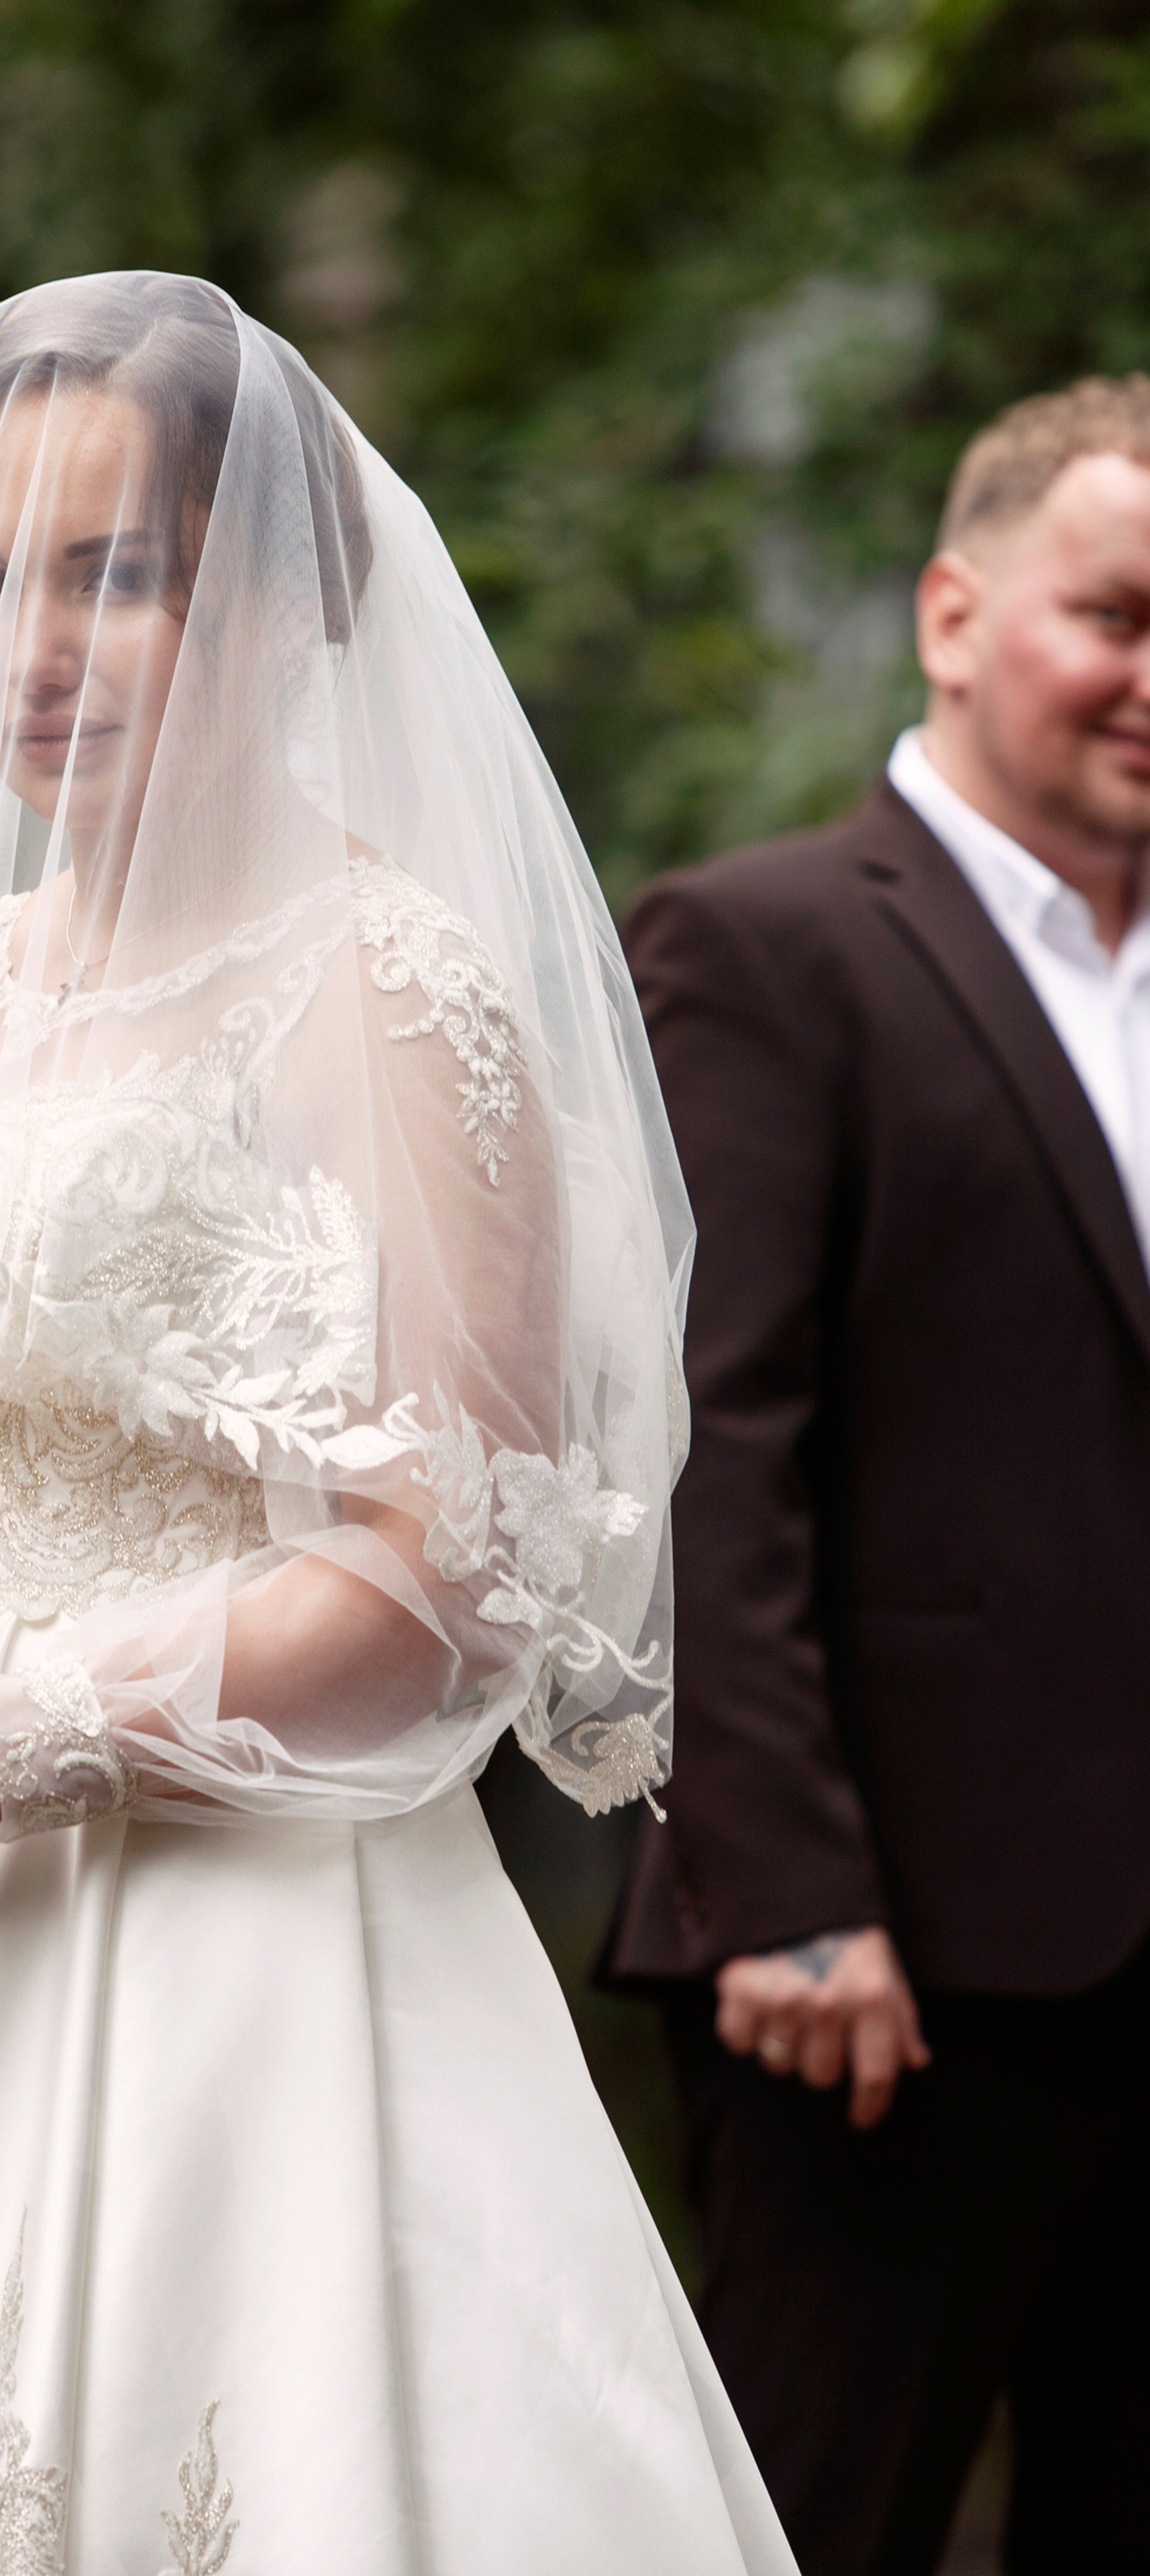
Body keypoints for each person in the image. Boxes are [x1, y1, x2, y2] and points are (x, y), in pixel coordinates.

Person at [0, 274, 794, 2574]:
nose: (31, 647)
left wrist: (0, 1747)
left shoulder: (389, 992)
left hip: (231, 1955)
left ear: (281, 604)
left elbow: (446, 1565)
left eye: (117, 574)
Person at [605, 374, 1150, 2575]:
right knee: (815, 2532)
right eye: (1114, 614)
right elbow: (699, 1445)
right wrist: (790, 1893)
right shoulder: (767, 945)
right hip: (877, 1978)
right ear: (951, 610)